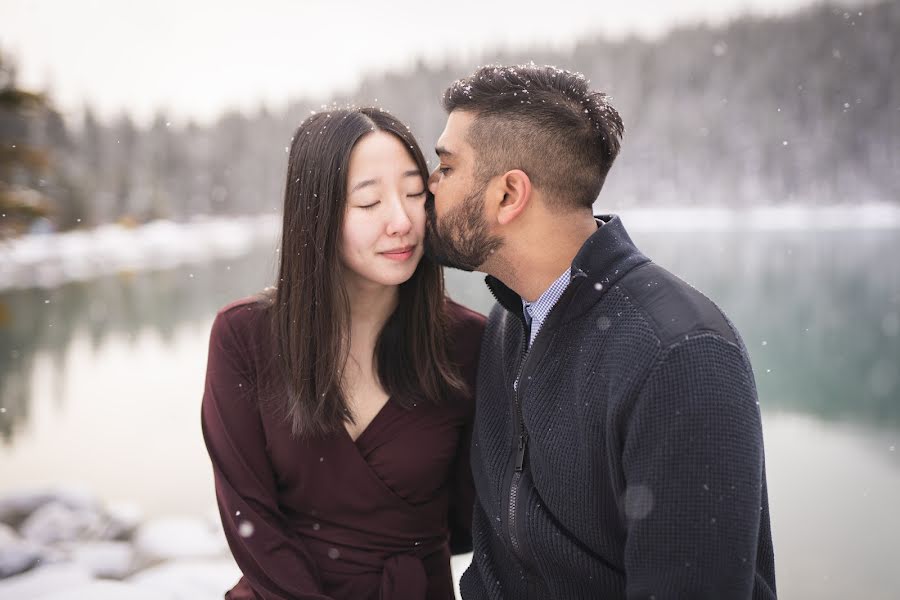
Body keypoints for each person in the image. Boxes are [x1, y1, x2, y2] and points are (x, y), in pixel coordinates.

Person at [425, 64, 777, 599]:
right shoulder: (508, 323)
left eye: (446, 168)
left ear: (507, 195)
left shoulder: (681, 355)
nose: (427, 187)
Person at [201, 107, 485, 600]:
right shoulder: (245, 337)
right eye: (369, 202)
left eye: (415, 194)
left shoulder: (468, 344)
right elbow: (251, 521)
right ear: (317, 214)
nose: (401, 221)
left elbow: (473, 518)